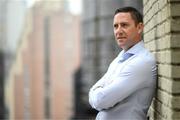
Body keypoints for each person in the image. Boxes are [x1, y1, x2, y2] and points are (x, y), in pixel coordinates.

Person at [89, 6, 157, 120]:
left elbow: (101, 100)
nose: (118, 31)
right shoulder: (120, 58)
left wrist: (96, 91)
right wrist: (97, 93)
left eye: (124, 25)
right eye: (116, 26)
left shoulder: (142, 62)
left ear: (139, 28)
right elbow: (98, 96)